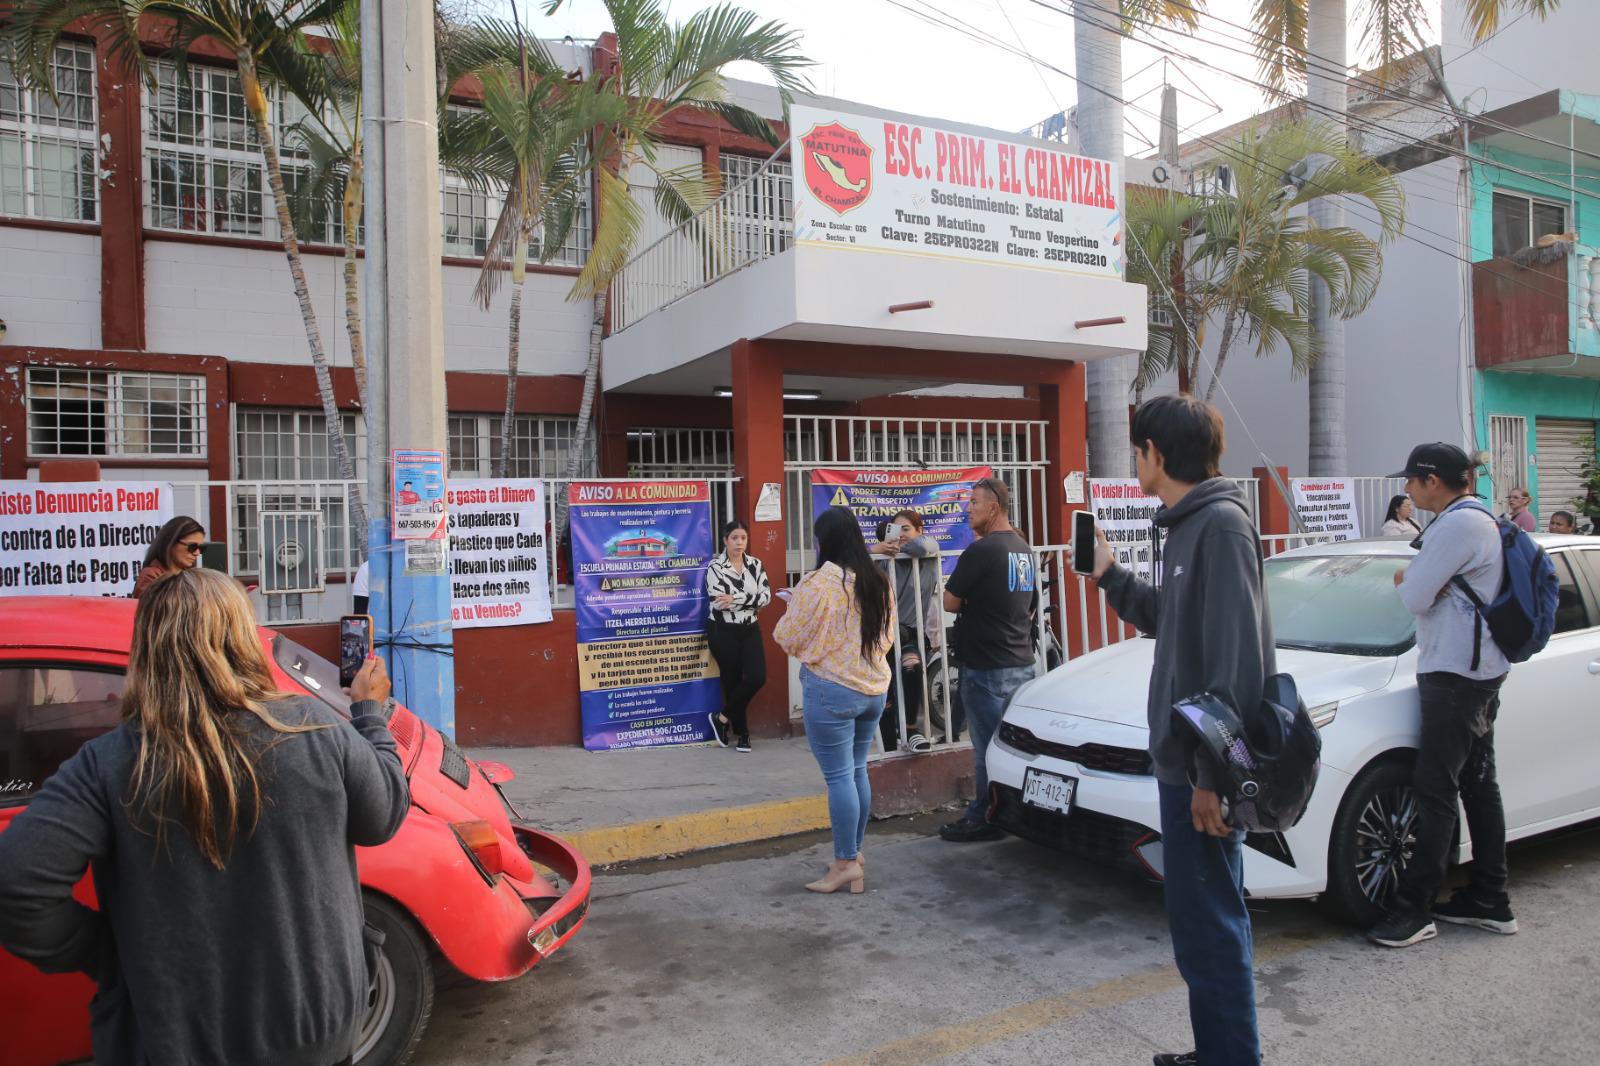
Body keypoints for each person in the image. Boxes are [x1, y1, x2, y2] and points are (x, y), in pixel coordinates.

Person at [0, 568, 409, 1066]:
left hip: (175, 1041)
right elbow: (385, 814)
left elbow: (16, 883)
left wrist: (108, 957)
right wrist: (370, 713)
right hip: (314, 1032)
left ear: (149, 648)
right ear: (242, 638)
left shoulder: (110, 762)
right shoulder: (315, 728)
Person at [1087, 394, 1272, 1066]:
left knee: (1213, 924)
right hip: (1186, 766)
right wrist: (1110, 577)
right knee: (1197, 924)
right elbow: (1173, 617)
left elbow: (1234, 664)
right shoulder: (1186, 525)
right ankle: (1216, 1049)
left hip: (1205, 771)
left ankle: (1231, 1058)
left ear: (1155, 454)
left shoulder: (1219, 526)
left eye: (1137, 450)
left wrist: (1209, 777)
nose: (1135, 460)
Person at [1369, 442, 1517, 949]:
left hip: (1455, 676)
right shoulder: (1476, 519)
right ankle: (1490, 898)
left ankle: (1414, 911)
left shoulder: (1456, 525)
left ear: (1433, 480)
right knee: (1478, 784)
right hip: (1477, 673)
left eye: (1411, 479)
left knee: (1435, 792)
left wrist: (1405, 578)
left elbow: (1412, 596)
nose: (1406, 489)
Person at [774, 506, 895, 894]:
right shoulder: (878, 580)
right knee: (857, 770)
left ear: (822, 541)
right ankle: (854, 854)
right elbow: (888, 637)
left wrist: (797, 606)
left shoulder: (819, 583)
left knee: (840, 777)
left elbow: (786, 637)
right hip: (873, 688)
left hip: (831, 690)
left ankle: (845, 863)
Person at [939, 477, 1036, 844]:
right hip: (1020, 662)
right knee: (1014, 746)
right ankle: (1012, 811)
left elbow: (950, 601)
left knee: (987, 750)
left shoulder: (982, 551)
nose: (969, 509)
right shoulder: (1023, 548)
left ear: (993, 507)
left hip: (987, 666)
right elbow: (1027, 605)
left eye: (975, 503)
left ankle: (985, 817)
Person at [871, 510, 940, 753]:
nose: (900, 535)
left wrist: (899, 548)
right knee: (884, 693)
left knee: (912, 668)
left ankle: (911, 729)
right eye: (896, 530)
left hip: (910, 632)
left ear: (919, 530)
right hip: (881, 634)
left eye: (906, 529)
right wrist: (876, 549)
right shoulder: (882, 559)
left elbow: (924, 546)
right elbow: (852, 564)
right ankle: (888, 748)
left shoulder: (928, 551)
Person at [705, 519, 772, 752]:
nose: (739, 542)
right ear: (725, 540)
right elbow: (719, 603)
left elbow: (766, 597)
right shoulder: (715, 568)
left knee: (757, 676)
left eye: (743, 538)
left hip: (749, 629)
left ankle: (721, 718)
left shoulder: (755, 565)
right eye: (734, 538)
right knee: (732, 682)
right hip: (722, 631)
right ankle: (742, 734)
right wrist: (748, 601)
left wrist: (735, 598)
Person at [132, 515, 205, 598]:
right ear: (171, 542)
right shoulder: (151, 576)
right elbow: (149, 609)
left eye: (201, 548)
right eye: (192, 547)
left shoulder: (194, 576)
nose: (197, 553)